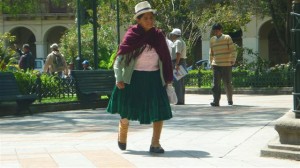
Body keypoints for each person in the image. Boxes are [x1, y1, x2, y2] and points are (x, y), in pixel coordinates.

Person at [106, 1, 173, 154]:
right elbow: (119, 59)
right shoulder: (132, 36)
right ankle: (122, 133)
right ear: (138, 20)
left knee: (159, 111)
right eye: (146, 18)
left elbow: (166, 58)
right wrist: (119, 78)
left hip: (154, 79)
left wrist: (168, 80)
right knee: (126, 110)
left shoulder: (158, 36)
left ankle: (155, 144)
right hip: (133, 78)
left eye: (151, 17)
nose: (150, 20)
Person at [209, 23, 237, 106]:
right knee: (215, 84)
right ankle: (216, 101)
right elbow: (211, 52)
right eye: (214, 31)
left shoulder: (227, 38)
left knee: (227, 83)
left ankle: (230, 100)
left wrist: (232, 59)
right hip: (216, 65)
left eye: (217, 30)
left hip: (226, 64)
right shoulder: (212, 39)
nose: (215, 32)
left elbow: (233, 50)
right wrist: (211, 62)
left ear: (221, 30)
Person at [170, 28, 187, 105]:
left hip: (178, 62)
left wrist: (176, 64)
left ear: (175, 35)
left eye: (172, 34)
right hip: (181, 62)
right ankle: (181, 100)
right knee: (181, 82)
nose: (171, 35)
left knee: (178, 82)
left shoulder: (177, 42)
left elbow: (178, 53)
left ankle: (178, 100)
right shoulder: (181, 41)